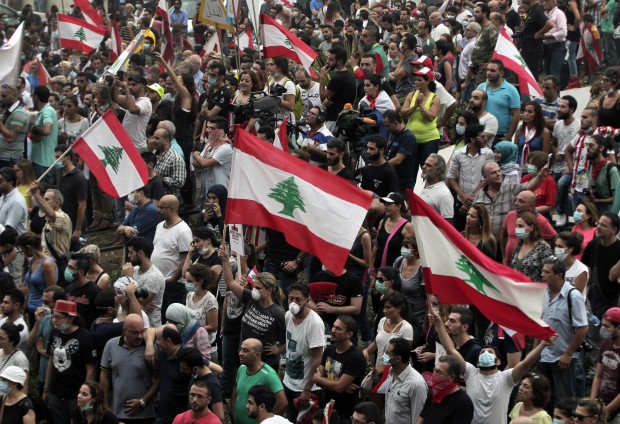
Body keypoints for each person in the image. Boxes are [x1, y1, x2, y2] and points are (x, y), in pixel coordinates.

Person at [431, 307, 552, 424]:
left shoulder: (506, 378)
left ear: (498, 361)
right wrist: (439, 324)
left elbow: (526, 363)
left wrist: (542, 345)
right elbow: (450, 349)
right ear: (477, 362)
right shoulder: (470, 373)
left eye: (490, 352)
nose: (486, 354)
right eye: (482, 352)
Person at [221, 246, 285, 371]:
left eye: (259, 288)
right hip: (246, 360)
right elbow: (230, 282)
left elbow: (292, 334)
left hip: (265, 364)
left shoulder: (278, 312)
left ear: (269, 290)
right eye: (254, 287)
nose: (254, 290)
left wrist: (279, 350)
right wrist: (224, 260)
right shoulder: (251, 298)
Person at [539, 256, 588, 403]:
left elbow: (583, 328)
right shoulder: (544, 294)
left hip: (562, 359)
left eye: (547, 272)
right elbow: (542, 324)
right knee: (545, 399)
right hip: (545, 356)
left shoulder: (573, 296)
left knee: (564, 401)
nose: (542, 275)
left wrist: (568, 354)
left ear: (559, 275)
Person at [44, 300, 96, 424]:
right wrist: (47, 388)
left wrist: (84, 394)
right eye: (53, 316)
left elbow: (91, 369)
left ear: (70, 318)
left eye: (58, 317)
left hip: (75, 394)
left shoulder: (85, 337)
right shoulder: (54, 333)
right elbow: (51, 360)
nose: (54, 320)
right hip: (56, 392)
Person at [99, 313, 158, 423]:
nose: (139, 336)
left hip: (145, 414)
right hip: (117, 413)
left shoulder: (150, 348)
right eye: (135, 333)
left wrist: (142, 401)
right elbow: (104, 375)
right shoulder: (111, 345)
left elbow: (158, 379)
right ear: (124, 331)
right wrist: (105, 404)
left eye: (142, 331)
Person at [280, 282, 325, 422]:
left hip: (305, 387)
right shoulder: (288, 315)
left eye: (298, 299)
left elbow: (318, 359)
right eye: (290, 298)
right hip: (289, 381)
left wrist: (307, 389)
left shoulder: (315, 324)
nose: (293, 302)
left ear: (307, 300)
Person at [313, 315, 365, 417]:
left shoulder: (356, 357)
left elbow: (337, 387)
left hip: (345, 413)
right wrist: (338, 384)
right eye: (333, 326)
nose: (332, 330)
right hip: (326, 407)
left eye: (338, 329)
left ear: (349, 334)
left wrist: (323, 380)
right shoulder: (329, 350)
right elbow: (316, 380)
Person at [152, 195, 192, 319]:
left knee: (172, 319)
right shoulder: (159, 226)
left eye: (161, 207)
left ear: (171, 209)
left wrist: (173, 278)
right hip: (158, 283)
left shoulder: (183, 231)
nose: (158, 210)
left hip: (173, 285)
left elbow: (186, 258)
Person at [401, 67, 441, 186]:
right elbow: (402, 112)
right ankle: (409, 199)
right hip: (412, 139)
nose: (416, 82)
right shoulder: (411, 95)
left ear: (427, 81)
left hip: (429, 139)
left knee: (429, 171)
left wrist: (421, 105)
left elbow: (431, 117)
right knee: (410, 171)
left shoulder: (434, 98)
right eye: (416, 80)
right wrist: (414, 107)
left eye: (420, 80)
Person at [232, 339, 287, 424]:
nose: (240, 353)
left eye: (245, 351)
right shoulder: (242, 368)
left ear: (257, 355)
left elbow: (282, 402)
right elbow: (236, 390)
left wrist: (269, 421)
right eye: (241, 349)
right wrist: (232, 411)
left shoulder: (268, 375)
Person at [501, 190, 557, 265]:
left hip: (530, 267)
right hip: (509, 264)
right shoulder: (510, 215)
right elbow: (503, 235)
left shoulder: (542, 222)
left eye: (521, 201)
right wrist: (504, 256)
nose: (516, 203)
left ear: (531, 206)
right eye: (516, 200)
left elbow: (555, 240)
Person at [380, 337, 427, 423]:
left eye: (387, 353)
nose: (384, 355)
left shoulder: (416, 384)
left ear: (398, 358)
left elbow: (418, 418)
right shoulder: (391, 372)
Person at [417, 354, 474, 423]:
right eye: (434, 370)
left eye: (439, 372)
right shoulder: (434, 393)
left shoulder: (464, 403)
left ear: (452, 377)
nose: (434, 374)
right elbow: (421, 419)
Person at [478, 59, 521, 142]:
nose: (488, 73)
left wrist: (508, 137)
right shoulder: (481, 87)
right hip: (481, 134)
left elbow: (516, 115)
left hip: (500, 136)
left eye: (492, 70)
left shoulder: (511, 90)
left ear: (501, 73)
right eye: (487, 70)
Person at [18, 232, 56, 319]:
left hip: (42, 312)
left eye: (23, 249)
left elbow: (52, 291)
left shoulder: (47, 264)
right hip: (32, 309)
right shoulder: (32, 261)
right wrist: (25, 306)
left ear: (28, 247)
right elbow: (30, 287)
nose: (23, 252)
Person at [591, 307, 620, 423]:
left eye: (607, 326)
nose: (603, 329)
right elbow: (598, 375)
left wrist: (605, 411)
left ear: (619, 327)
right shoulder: (606, 344)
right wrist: (592, 402)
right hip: (602, 400)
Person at [184, 263, 218, 359]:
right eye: (186, 280)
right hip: (191, 345)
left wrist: (192, 329)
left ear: (200, 281)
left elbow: (213, 326)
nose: (187, 283)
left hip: (206, 348)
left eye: (190, 281)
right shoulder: (190, 295)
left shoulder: (210, 299)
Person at [373, 192, 414, 271]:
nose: (385, 207)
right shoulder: (382, 222)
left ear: (398, 206)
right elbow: (376, 246)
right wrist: (370, 264)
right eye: (385, 204)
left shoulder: (407, 226)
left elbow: (409, 253)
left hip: (393, 273)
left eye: (389, 204)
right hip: (376, 270)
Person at [193, 117, 232, 195]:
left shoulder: (225, 148)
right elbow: (195, 163)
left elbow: (203, 163)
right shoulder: (209, 145)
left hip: (220, 192)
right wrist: (202, 161)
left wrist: (195, 154)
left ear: (221, 131)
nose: (207, 130)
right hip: (207, 189)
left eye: (212, 128)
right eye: (207, 127)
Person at [320, 46, 356, 131]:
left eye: (331, 60)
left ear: (340, 62)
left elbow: (322, 97)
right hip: (344, 120)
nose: (327, 62)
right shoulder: (349, 76)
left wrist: (321, 78)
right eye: (328, 59)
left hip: (334, 121)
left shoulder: (337, 79)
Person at [113, 72, 151, 152]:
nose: (130, 87)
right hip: (127, 144)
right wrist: (114, 85)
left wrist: (126, 88)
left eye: (134, 85)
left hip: (137, 147)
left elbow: (133, 109)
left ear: (142, 87)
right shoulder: (133, 99)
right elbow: (115, 98)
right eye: (129, 84)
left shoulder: (145, 102)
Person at [509, 212, 553, 282]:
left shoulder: (543, 247)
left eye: (520, 226)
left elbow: (547, 274)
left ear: (531, 228)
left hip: (534, 290)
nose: (517, 229)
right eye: (516, 226)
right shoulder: (518, 245)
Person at [393, 235, 425, 325]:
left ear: (416, 251)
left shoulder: (422, 269)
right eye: (403, 246)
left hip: (416, 318)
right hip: (399, 315)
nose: (403, 249)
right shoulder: (399, 261)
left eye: (407, 247)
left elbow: (428, 298)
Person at [584, 135, 619, 214]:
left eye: (591, 145)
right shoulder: (591, 166)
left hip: (609, 215)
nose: (587, 148)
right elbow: (589, 187)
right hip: (595, 213)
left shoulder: (611, 169)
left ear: (601, 148)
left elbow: (617, 198)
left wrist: (597, 201)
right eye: (587, 145)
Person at [65, 252, 101, 329]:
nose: (67, 270)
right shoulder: (68, 289)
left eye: (71, 267)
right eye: (67, 266)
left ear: (81, 271)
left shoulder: (95, 291)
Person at [29, 86, 59, 181]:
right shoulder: (43, 111)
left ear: (36, 97)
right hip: (40, 161)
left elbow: (47, 130)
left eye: (32, 95)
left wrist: (34, 128)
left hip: (44, 163)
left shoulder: (47, 111)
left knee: (42, 192)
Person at [384, 109, 416, 194]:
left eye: (387, 126)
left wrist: (380, 167)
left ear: (395, 123)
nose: (386, 129)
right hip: (392, 180)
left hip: (402, 184)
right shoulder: (393, 134)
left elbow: (398, 160)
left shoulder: (408, 137)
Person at [419, 153, 453, 222]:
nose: (423, 167)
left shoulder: (444, 195)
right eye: (425, 164)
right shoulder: (427, 185)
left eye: (428, 165)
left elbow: (448, 224)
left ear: (438, 170)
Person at [0, 321, 29, 388]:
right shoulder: (0, 351)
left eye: (2, 338)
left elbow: (24, 388)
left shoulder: (20, 359)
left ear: (11, 341)